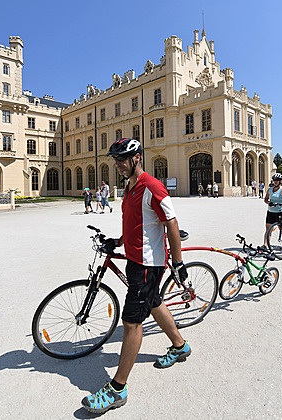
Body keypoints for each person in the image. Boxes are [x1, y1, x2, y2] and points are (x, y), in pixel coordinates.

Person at [81, 138, 190, 414]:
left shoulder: (151, 186)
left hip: (147, 265)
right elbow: (137, 224)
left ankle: (117, 389)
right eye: (115, 160)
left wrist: (178, 263)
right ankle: (180, 346)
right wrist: (117, 242)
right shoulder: (129, 188)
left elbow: (172, 224)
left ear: (137, 158)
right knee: (154, 303)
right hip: (134, 259)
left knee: (131, 322)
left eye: (122, 159)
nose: (117, 165)